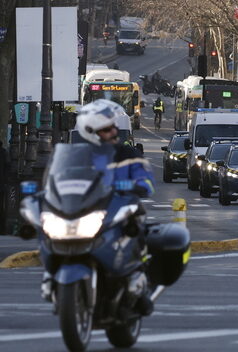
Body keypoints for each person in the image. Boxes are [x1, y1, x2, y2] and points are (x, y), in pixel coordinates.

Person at [41, 99, 155, 314]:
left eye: (113, 127)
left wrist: (137, 184)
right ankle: (50, 274)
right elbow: (58, 179)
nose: (114, 132)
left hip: (119, 206)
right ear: (90, 131)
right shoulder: (73, 155)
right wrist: (47, 193)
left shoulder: (128, 154)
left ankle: (137, 280)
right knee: (47, 228)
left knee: (136, 227)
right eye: (107, 129)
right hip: (86, 209)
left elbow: (146, 180)